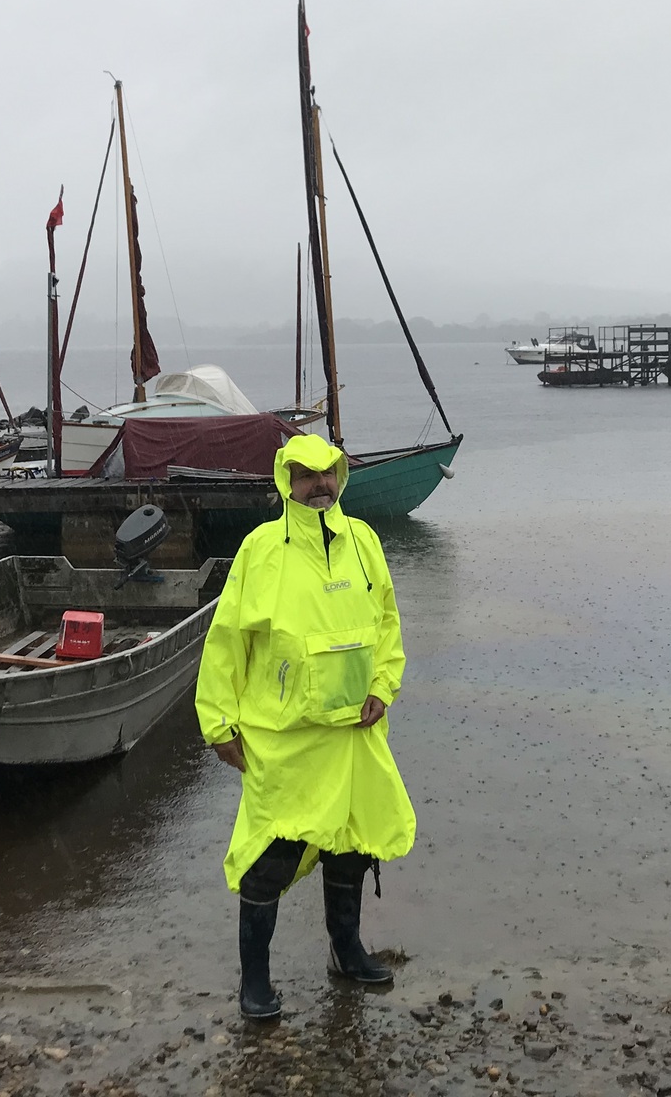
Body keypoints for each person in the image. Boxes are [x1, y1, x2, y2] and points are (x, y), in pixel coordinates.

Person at [194, 432, 416, 1019]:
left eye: (327, 473)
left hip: (354, 734)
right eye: (305, 474)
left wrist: (383, 686)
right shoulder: (261, 549)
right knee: (271, 857)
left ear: (340, 477)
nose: (319, 484)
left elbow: (387, 622)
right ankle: (255, 980)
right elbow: (227, 640)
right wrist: (218, 722)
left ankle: (347, 951)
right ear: (285, 481)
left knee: (350, 848)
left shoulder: (364, 541)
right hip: (284, 737)